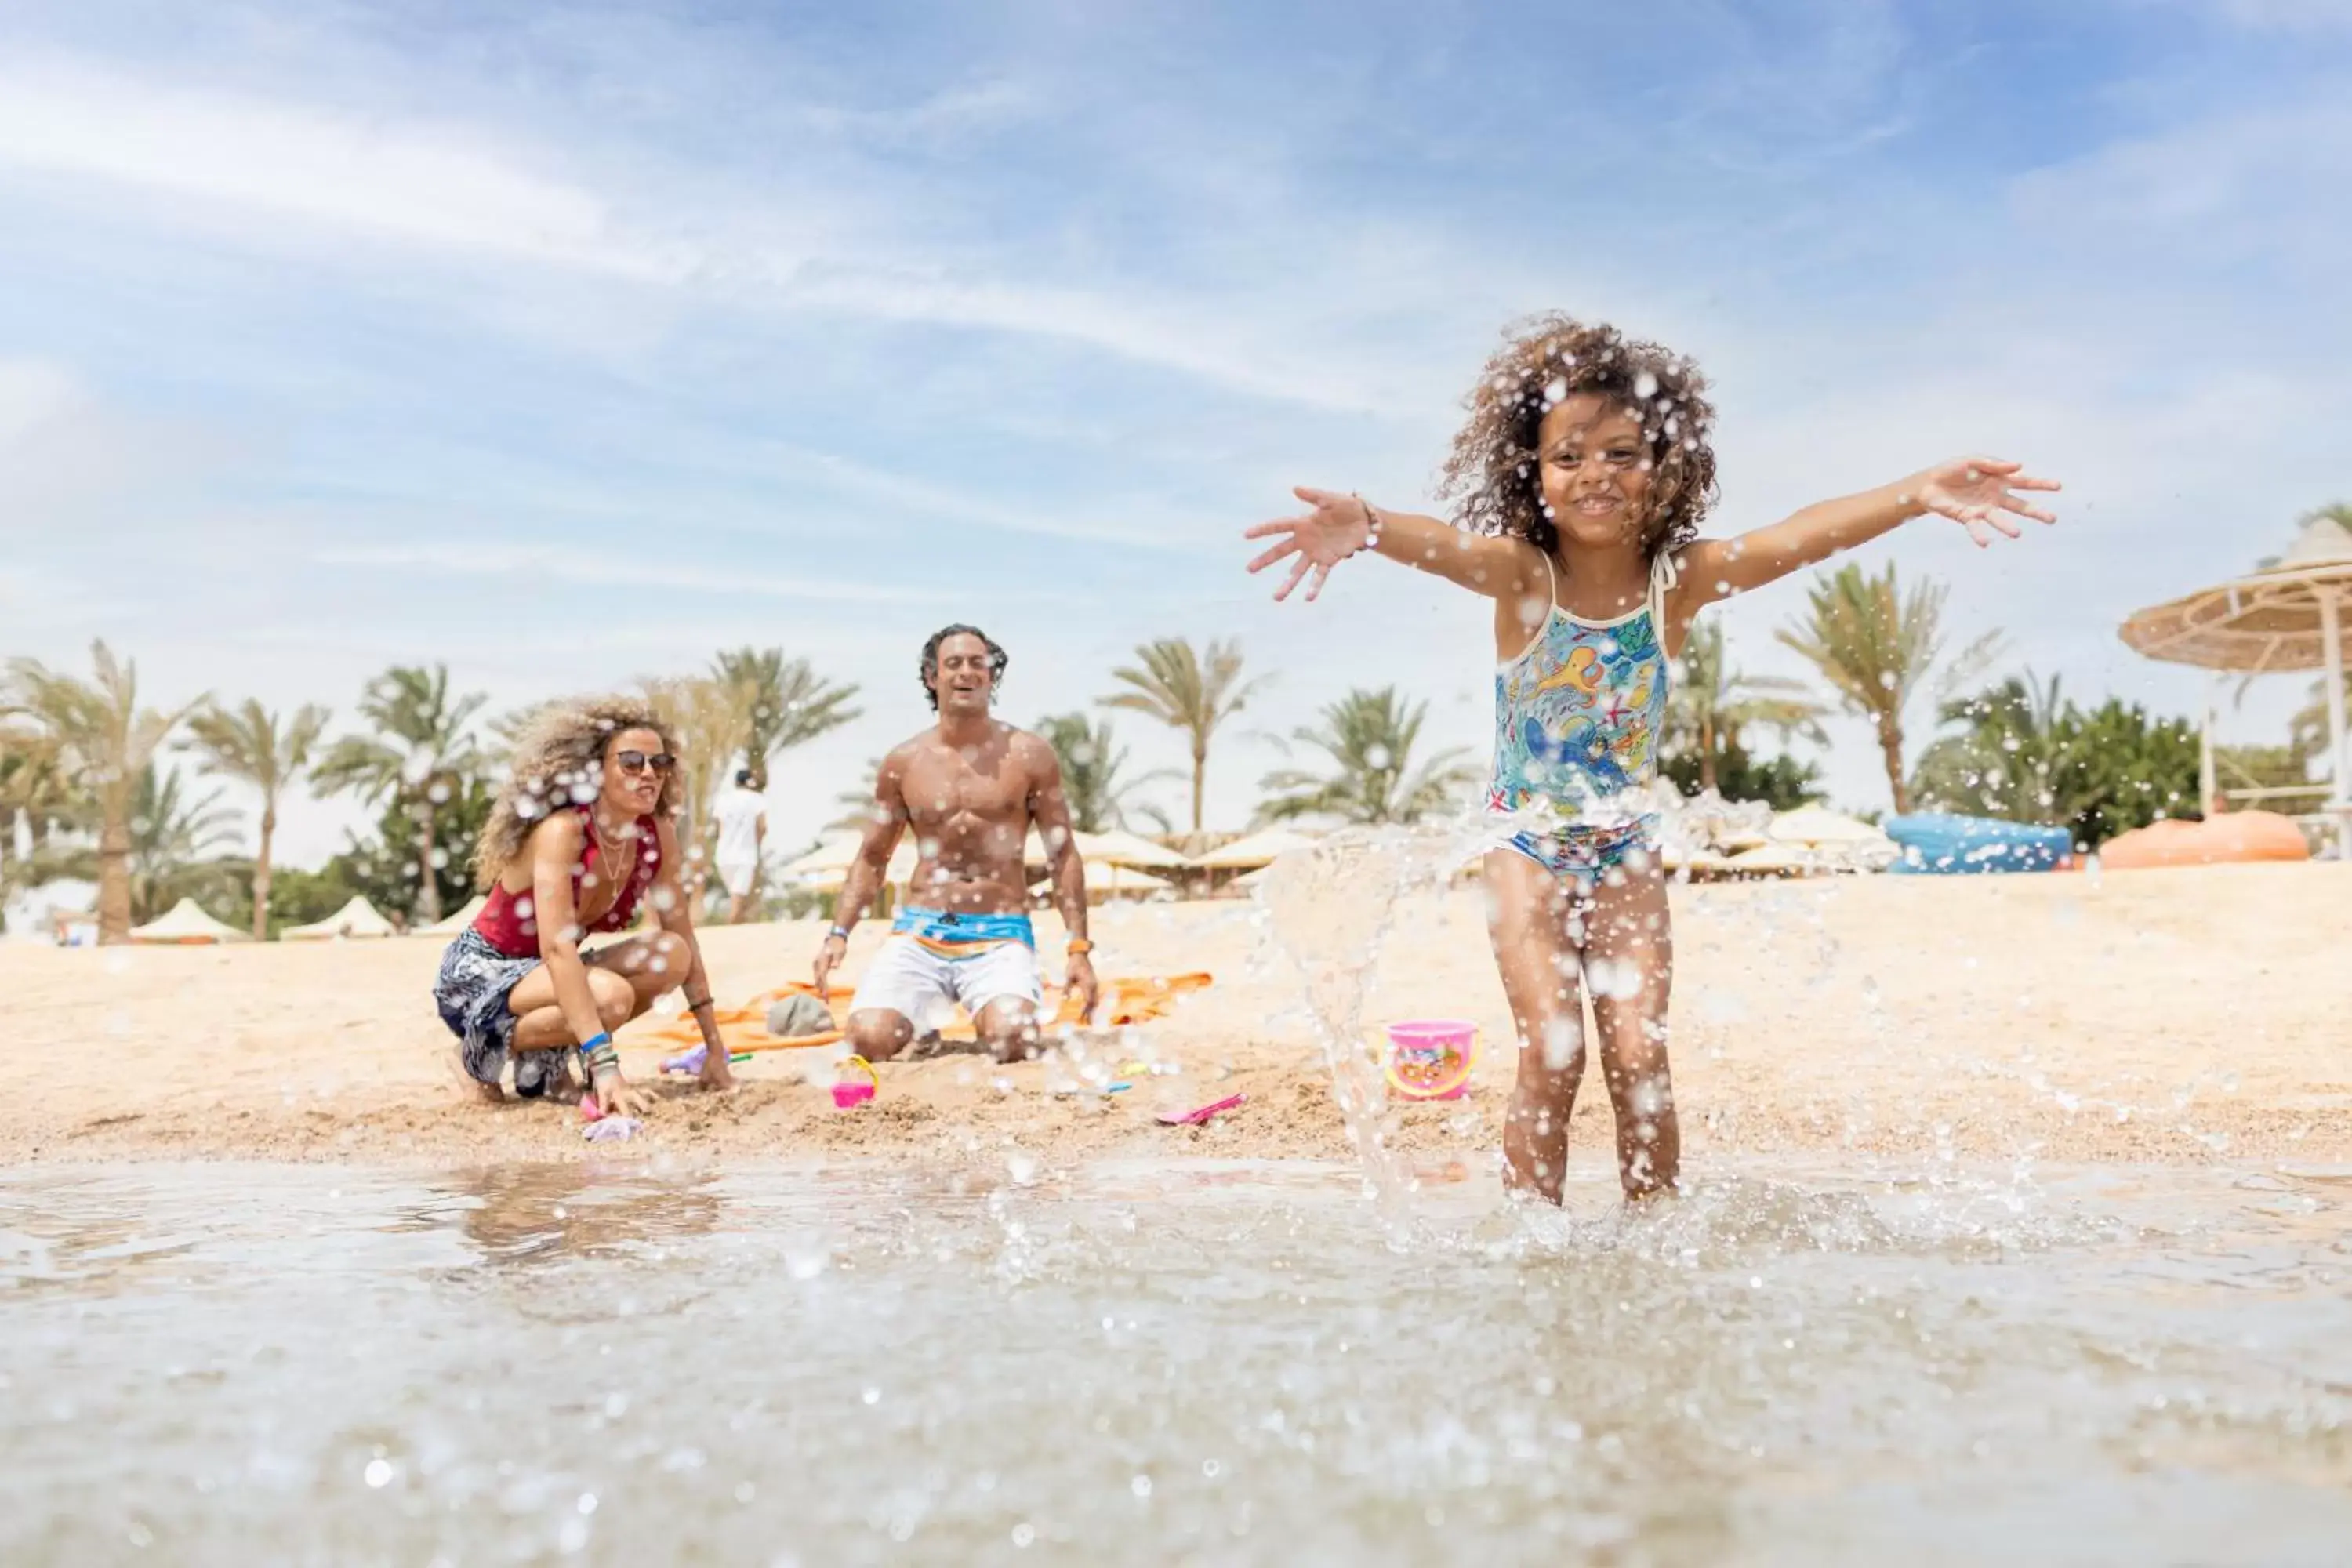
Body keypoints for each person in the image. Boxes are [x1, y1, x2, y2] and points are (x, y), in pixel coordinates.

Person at [1243, 314, 2057, 1203]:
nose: (1596, 474)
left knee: (1640, 1057)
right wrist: (1368, 525)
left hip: (1623, 845)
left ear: (1664, 467)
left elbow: (1803, 532)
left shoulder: (1681, 581)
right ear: (1535, 475)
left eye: (1623, 453)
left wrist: (1916, 491)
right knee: (1554, 1047)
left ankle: (1657, 1236)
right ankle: (1533, 1239)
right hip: (1523, 845)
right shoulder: (1525, 576)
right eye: (1569, 457)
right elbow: (1448, 547)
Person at [432, 698, 734, 1115]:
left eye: (659, 763)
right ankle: (474, 1053)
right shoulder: (563, 831)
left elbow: (683, 932)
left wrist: (715, 1047)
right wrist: (606, 1068)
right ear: (598, 770)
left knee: (670, 954)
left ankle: (547, 1058)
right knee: (611, 998)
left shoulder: (655, 835)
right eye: (631, 762)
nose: (648, 773)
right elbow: (556, 949)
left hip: (547, 973)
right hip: (483, 970)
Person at [813, 624, 1099, 1062]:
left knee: (1013, 1040)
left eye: (977, 662)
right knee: (867, 1040)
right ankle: (921, 1016)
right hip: (922, 929)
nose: (967, 671)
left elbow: (1063, 855)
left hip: (1000, 933)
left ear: (991, 674)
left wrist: (1078, 947)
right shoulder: (904, 762)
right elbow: (873, 857)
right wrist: (838, 933)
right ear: (932, 677)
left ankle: (967, 1008)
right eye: (954, 663)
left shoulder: (1029, 755)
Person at [712, 768, 768, 924]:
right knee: (739, 893)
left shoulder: (723, 800)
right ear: (750, 782)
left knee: (735, 893)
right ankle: (732, 925)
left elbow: (718, 827)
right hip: (745, 854)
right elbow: (762, 827)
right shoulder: (757, 799)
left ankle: (738, 923)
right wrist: (756, 843)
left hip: (723, 854)